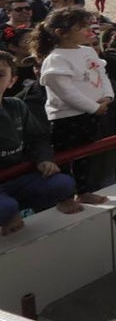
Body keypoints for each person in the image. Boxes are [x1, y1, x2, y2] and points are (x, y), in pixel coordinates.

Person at [34, 8, 113, 204]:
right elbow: (65, 91)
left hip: (93, 114)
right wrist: (93, 107)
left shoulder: (87, 51)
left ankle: (83, 191)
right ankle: (65, 197)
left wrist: (108, 97)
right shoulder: (56, 58)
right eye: (81, 28)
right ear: (61, 33)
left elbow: (102, 75)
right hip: (66, 118)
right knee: (65, 158)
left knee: (85, 156)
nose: (88, 31)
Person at [0, 51, 82, 235]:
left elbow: (38, 138)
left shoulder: (16, 106)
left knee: (63, 184)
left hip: (19, 177)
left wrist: (44, 159)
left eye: (0, 74)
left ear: (12, 81)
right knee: (6, 208)